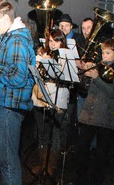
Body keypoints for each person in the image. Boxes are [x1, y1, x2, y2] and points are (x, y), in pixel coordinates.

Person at [0, 0, 35, 184]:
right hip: (3, 106)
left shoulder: (16, 41)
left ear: (4, 18)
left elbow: (17, 78)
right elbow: (5, 71)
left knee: (8, 163)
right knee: (4, 161)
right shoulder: (6, 39)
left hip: (9, 108)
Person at [75, 39, 114, 184]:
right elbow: (85, 88)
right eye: (103, 52)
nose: (104, 56)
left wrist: (96, 78)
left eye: (108, 53)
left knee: (101, 155)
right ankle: (80, 179)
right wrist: (84, 73)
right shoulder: (99, 66)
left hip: (105, 117)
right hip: (89, 115)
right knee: (81, 151)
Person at [32, 29, 70, 177]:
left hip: (58, 97)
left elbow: (66, 76)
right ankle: (42, 163)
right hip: (41, 95)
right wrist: (38, 61)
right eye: (51, 41)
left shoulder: (66, 56)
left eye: (56, 41)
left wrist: (50, 62)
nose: (53, 44)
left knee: (55, 132)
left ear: (62, 42)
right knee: (41, 130)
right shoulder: (44, 52)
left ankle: (51, 165)